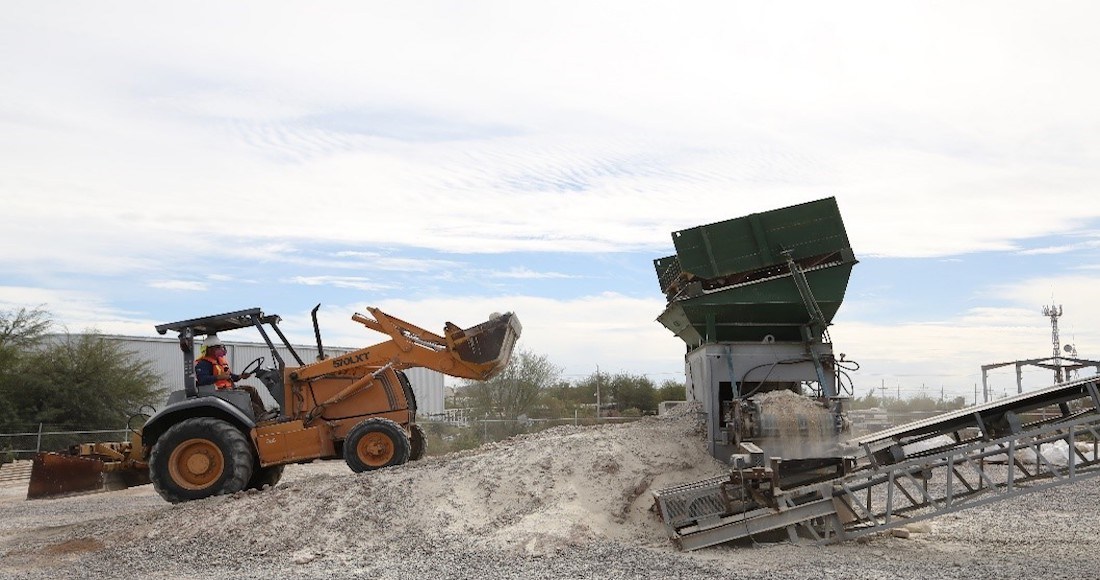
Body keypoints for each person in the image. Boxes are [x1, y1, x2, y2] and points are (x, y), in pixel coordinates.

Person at [195, 334, 273, 420]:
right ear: (209, 349)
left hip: (228, 389)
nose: (221, 349)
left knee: (251, 389)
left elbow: (230, 376)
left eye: (221, 346)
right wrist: (218, 377)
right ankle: (259, 415)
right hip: (217, 392)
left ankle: (263, 412)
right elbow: (202, 380)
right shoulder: (203, 364)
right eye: (218, 347)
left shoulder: (220, 361)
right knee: (243, 394)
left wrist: (240, 376)